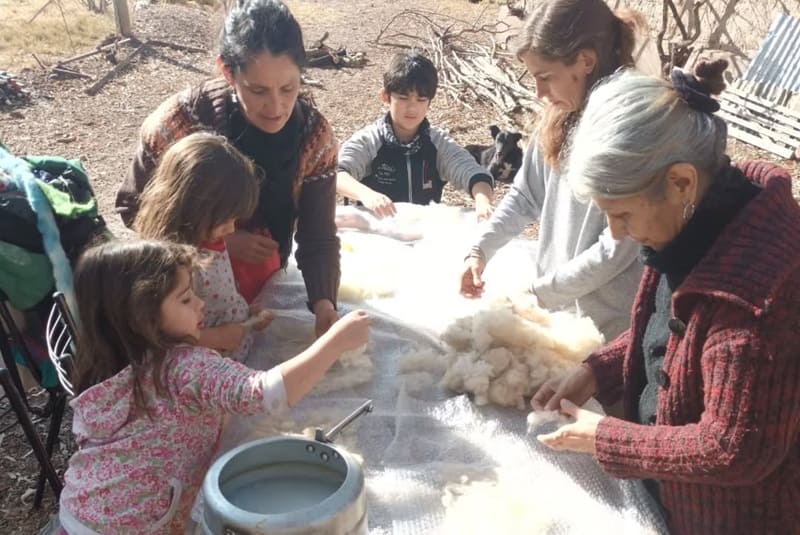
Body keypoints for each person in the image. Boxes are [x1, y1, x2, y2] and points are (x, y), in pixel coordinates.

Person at [533, 62, 800, 534]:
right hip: (678, 502)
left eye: (622, 214)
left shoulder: (758, 297)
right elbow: (669, 335)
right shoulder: (690, 227)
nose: (617, 233)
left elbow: (733, 447)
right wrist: (597, 370)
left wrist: (608, 438)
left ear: (680, 182)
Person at [58, 239, 370, 534]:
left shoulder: (110, 360)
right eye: (185, 299)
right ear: (143, 317)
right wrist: (335, 342)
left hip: (81, 511)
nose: (200, 303)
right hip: (134, 525)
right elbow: (263, 395)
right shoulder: (184, 365)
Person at [116, 0, 340, 336]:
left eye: (289, 88)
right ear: (226, 71)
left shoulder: (313, 137)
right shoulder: (178, 125)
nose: (276, 107)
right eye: (258, 90)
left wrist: (324, 303)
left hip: (262, 286)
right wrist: (219, 239)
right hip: (188, 299)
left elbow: (318, 235)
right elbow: (132, 207)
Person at [459, 0, 645, 340]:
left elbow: (616, 249)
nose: (538, 92)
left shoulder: (629, 130)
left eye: (545, 77)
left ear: (585, 61)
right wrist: (481, 249)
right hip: (559, 316)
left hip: (605, 329)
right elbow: (526, 194)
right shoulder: (559, 115)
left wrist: (539, 293)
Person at [134, 132, 273, 362]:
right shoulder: (168, 265)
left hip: (234, 356)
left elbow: (221, 294)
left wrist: (247, 316)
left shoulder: (212, 240)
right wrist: (217, 337)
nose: (231, 230)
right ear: (193, 207)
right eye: (225, 220)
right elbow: (158, 340)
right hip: (202, 375)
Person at [336, 51, 495, 221]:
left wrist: (482, 202)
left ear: (430, 102)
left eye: (421, 100)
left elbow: (473, 174)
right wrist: (367, 195)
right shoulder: (370, 140)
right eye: (403, 98)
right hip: (376, 233)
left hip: (422, 234)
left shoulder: (437, 143)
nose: (412, 108)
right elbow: (336, 173)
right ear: (385, 97)